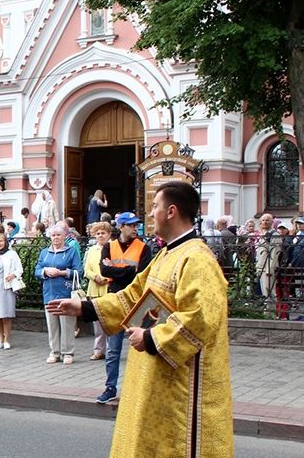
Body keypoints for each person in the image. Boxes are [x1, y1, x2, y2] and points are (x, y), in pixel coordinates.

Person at [47, 181, 233, 457]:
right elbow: (133, 296)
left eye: (155, 206)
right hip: (155, 378)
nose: (150, 214)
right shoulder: (167, 254)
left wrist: (150, 336)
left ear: (171, 211)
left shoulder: (197, 259)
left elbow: (202, 318)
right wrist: (85, 307)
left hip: (182, 387)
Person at [96, 212, 153, 404]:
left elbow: (143, 274)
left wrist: (118, 270)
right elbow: (104, 270)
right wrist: (129, 270)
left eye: (136, 225)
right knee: (113, 350)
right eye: (131, 225)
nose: (135, 228)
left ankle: (138, 389)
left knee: (139, 348)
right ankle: (110, 387)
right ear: (121, 227)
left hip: (137, 303)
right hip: (115, 301)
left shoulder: (144, 248)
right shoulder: (109, 247)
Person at [34, 224, 83, 365]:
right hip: (49, 294)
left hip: (66, 293)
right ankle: (54, 352)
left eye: (58, 235)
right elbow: (37, 269)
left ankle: (68, 353)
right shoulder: (44, 252)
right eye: (53, 235)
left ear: (64, 236)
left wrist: (60, 272)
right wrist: (45, 271)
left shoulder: (71, 251)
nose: (55, 237)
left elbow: (78, 272)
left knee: (67, 324)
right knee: (52, 326)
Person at [83, 222, 113, 361]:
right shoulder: (92, 250)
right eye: (98, 233)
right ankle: (98, 351)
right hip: (95, 288)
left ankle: (112, 350)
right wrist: (95, 277)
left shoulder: (114, 248)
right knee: (97, 322)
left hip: (109, 288)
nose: (100, 236)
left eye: (103, 233)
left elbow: (118, 266)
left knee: (111, 320)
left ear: (109, 234)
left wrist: (106, 278)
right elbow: (86, 269)